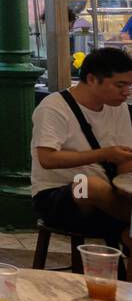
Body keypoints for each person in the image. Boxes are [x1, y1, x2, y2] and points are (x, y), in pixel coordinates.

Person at [30, 46, 132, 250]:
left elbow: (125, 157)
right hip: (57, 196)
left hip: (107, 199)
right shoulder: (54, 107)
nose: (126, 92)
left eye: (129, 85)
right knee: (88, 184)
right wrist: (104, 154)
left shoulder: (118, 108)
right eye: (120, 85)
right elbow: (47, 159)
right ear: (93, 79)